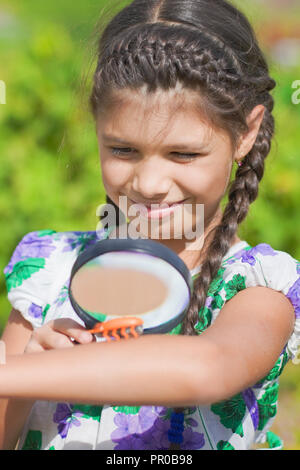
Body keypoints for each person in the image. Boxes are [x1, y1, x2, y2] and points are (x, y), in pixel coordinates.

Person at [1, 0, 300, 451]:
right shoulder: (49, 270)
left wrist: (14, 372)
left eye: (183, 154)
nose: (149, 183)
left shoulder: (258, 288)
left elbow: (206, 369)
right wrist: (21, 386)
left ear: (246, 131)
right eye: (122, 150)